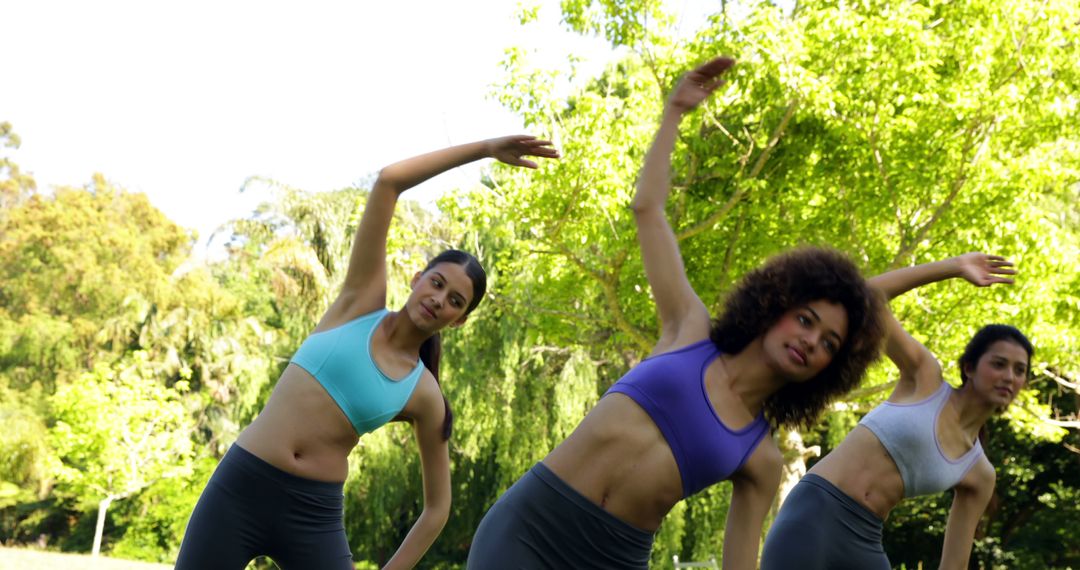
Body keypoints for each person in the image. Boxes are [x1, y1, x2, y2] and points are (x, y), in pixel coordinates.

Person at [466, 56, 884, 570]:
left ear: (829, 370)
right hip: (529, 528)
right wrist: (674, 115)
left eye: (829, 344)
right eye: (806, 319)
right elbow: (648, 208)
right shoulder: (689, 329)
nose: (811, 341)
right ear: (776, 303)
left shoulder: (762, 458)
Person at [174, 135, 559, 570]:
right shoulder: (360, 303)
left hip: (311, 515)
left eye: (455, 301)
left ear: (459, 320)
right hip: (241, 487)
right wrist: (485, 150)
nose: (439, 299)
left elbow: (438, 508)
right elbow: (388, 182)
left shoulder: (424, 394)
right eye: (437, 283)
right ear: (417, 278)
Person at [761, 252, 1030, 570]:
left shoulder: (979, 474)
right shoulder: (926, 378)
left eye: (1019, 370)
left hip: (865, 539)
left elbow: (954, 565)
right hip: (815, 511)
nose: (1009, 377)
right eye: (999, 364)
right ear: (969, 367)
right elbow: (868, 297)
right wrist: (954, 267)